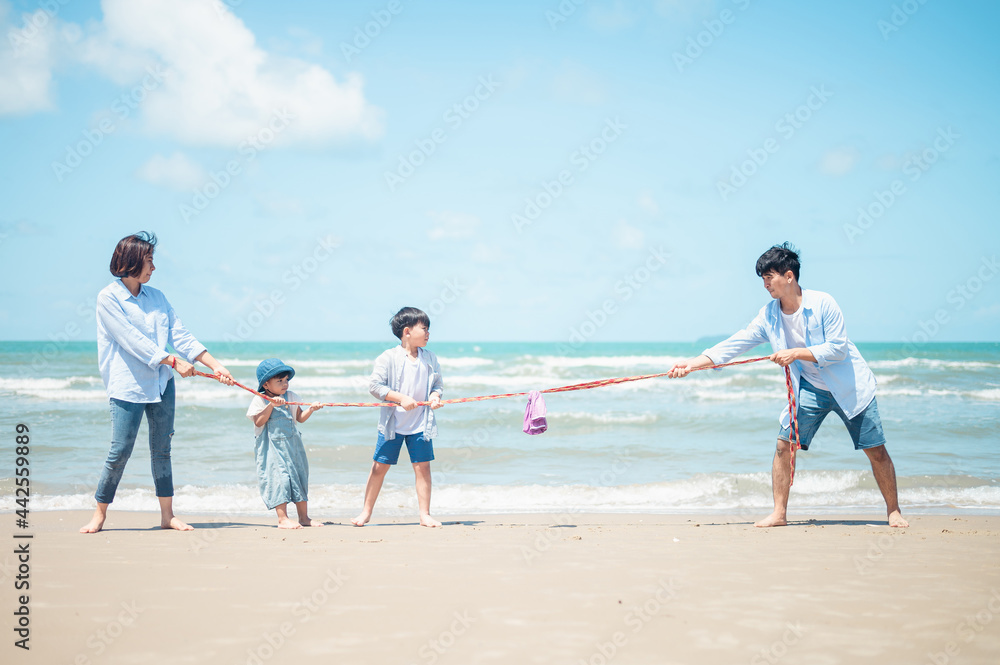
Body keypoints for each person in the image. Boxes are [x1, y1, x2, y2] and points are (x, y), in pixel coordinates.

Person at [668, 243, 908, 528]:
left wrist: (795, 353)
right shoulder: (769, 315)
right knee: (784, 445)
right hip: (809, 389)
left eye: (770, 276)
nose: (765, 283)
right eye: (763, 278)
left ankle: (894, 512)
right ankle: (779, 514)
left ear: (789, 276)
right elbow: (735, 344)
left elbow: (838, 349)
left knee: (875, 450)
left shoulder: (823, 303)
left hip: (850, 386)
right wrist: (691, 365)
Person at [81, 232, 234, 534]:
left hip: (162, 385)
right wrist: (172, 360)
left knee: (162, 450)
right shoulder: (108, 299)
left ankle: (167, 516)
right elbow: (131, 340)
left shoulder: (158, 298)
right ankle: (99, 514)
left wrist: (217, 366)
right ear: (132, 262)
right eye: (149, 261)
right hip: (127, 387)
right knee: (120, 450)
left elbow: (181, 336)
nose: (154, 267)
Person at [352, 307, 445, 528]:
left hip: (421, 424)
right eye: (424, 328)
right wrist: (401, 398)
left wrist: (434, 396)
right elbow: (375, 386)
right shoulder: (389, 357)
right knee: (379, 467)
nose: (428, 333)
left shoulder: (430, 357)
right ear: (407, 331)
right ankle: (365, 512)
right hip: (392, 424)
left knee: (423, 468)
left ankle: (425, 515)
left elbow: (437, 385)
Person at [246, 359, 325, 528]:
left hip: (293, 447)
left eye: (286, 380)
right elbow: (259, 422)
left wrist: (311, 409)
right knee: (278, 479)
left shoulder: (291, 397)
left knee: (299, 478)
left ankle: (304, 517)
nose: (285, 384)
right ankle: (282, 519)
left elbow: (299, 418)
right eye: (279, 381)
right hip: (271, 450)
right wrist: (271, 405)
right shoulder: (260, 399)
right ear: (266, 385)